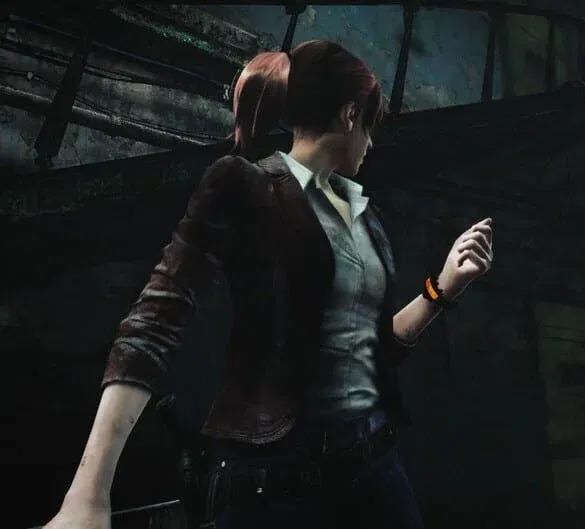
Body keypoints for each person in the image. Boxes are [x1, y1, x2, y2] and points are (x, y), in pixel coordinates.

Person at [42, 39, 495, 529]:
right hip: (276, 486)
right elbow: (155, 321)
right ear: (349, 115)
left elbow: (371, 354)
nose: (372, 143)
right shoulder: (245, 186)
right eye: (371, 125)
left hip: (376, 473)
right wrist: (89, 494)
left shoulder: (368, 219)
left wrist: (441, 288)